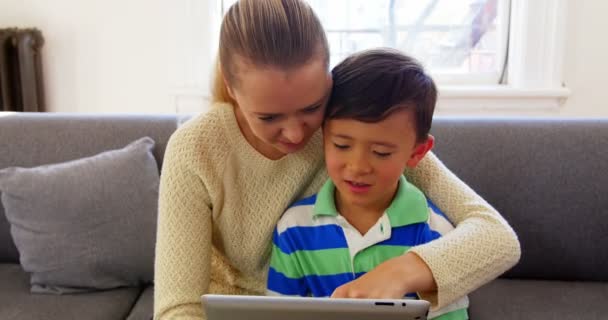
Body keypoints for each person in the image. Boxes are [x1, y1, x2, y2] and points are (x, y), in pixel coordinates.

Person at [154, 0, 520, 319]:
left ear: (328, 80)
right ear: (231, 90)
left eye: (311, 108)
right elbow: (177, 308)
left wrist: (403, 271)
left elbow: (497, 237)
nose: (297, 134)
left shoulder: (350, 129)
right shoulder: (194, 148)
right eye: (269, 117)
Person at [266, 48, 468, 319]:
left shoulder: (437, 235)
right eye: (341, 145)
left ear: (417, 152)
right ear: (323, 137)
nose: (358, 166)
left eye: (381, 152)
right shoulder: (294, 229)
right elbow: (278, 314)